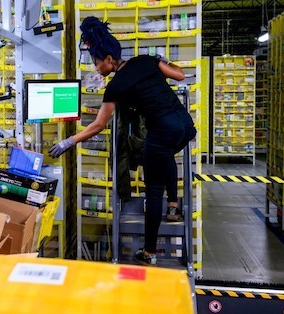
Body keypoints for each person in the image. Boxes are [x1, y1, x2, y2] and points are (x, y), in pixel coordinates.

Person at [48, 16, 197, 265]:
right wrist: (161, 61)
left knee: (153, 189)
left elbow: (98, 125)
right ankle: (173, 204)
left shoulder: (115, 87)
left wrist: (68, 142)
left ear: (108, 59)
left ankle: (148, 253)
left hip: (161, 130)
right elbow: (180, 76)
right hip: (184, 125)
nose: (96, 68)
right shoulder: (145, 60)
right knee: (165, 156)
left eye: (96, 63)